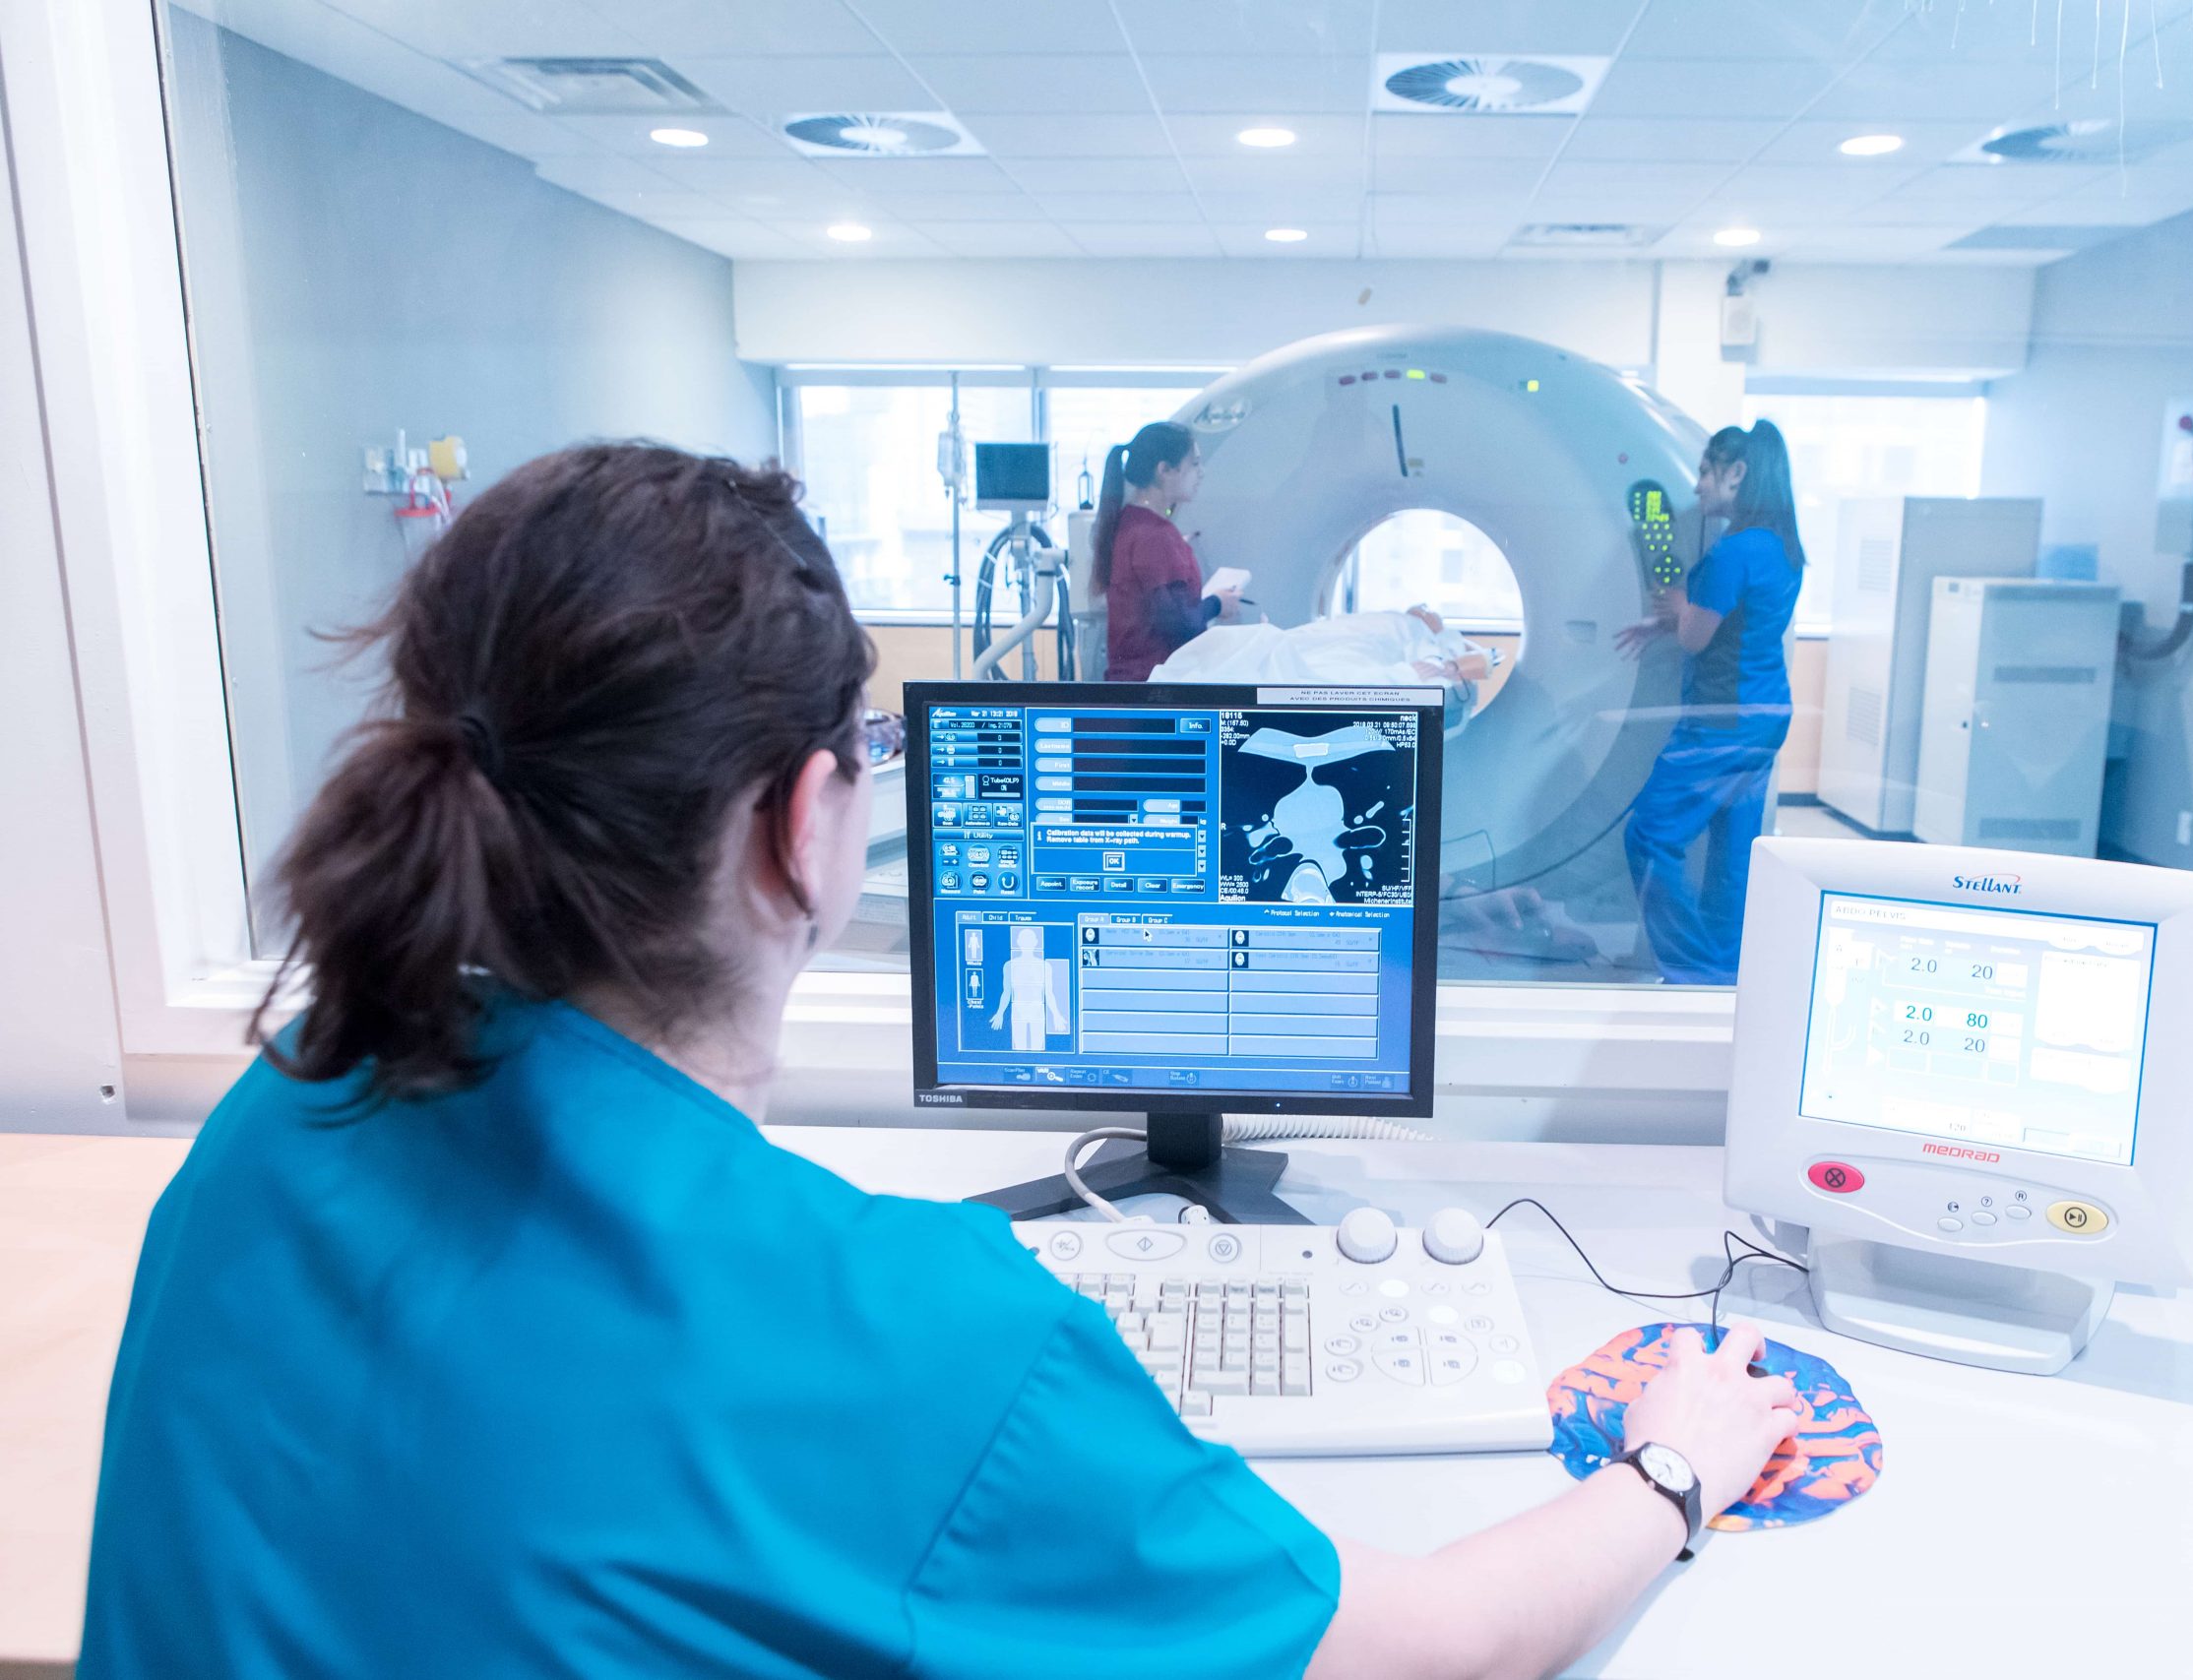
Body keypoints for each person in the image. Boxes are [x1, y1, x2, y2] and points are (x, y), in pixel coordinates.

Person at [80, 442, 1799, 1679]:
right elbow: (1437, 1652)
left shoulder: (287, 1105)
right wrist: (1676, 1461)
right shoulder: (904, 1334)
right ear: (808, 824)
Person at [1616, 420, 1806, 985]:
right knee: (1732, 855)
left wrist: (1678, 602)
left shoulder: (1733, 552)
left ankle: (1695, 972)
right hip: (1767, 713)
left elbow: (1698, 637)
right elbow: (1735, 624)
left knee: (1649, 836)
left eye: (1705, 471)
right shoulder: (1782, 546)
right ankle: (1727, 972)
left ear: (1737, 473)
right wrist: (1673, 618)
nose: (1697, 486)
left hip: (1722, 720)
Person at [1093, 419, 1240, 680]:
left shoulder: (1131, 521)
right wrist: (1219, 603)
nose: (1201, 472)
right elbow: (1180, 624)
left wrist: (1176, 551)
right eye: (1194, 464)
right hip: (1155, 683)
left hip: (1132, 680)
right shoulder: (1155, 536)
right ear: (1164, 470)